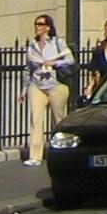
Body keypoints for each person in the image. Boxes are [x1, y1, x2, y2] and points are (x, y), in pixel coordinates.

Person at [24, 13, 74, 166]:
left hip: (56, 85)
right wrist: (24, 88)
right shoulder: (32, 45)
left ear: (48, 27)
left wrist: (54, 63)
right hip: (37, 84)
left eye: (40, 24)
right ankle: (35, 155)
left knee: (58, 119)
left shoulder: (57, 42)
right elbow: (28, 68)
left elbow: (70, 60)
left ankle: (63, 152)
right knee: (36, 119)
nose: (37, 27)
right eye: (36, 24)